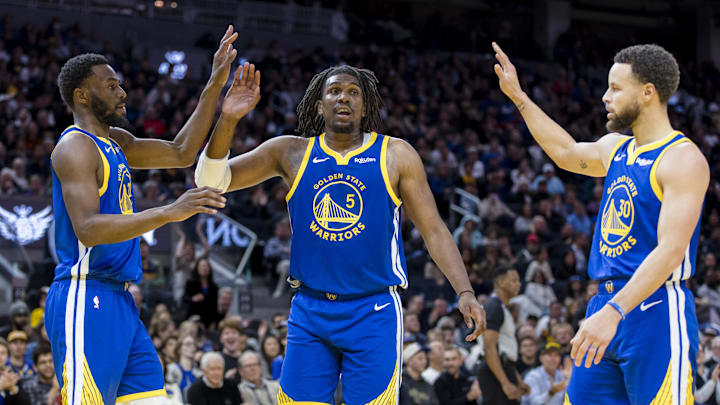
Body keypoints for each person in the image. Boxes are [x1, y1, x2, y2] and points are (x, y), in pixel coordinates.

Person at [194, 63, 486, 403]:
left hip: (373, 310)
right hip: (310, 310)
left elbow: (434, 230)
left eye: (353, 92)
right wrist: (228, 119)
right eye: (333, 91)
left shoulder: (396, 155)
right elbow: (210, 181)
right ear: (320, 105)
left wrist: (464, 291)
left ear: (365, 107)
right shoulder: (291, 152)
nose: (343, 97)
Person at [494, 42, 709, 403]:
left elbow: (671, 251)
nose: (605, 97)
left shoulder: (682, 159)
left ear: (647, 92)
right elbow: (564, 152)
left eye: (615, 88)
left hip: (654, 310)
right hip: (605, 305)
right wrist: (518, 96)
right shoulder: (617, 148)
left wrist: (615, 312)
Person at [45, 26, 244, 405]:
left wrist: (215, 83)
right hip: (85, 296)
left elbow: (182, 151)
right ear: (82, 95)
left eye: (120, 85)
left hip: (121, 301)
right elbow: (87, 229)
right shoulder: (75, 147)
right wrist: (168, 212)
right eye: (110, 85)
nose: (121, 92)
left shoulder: (115, 141)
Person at [477, 267, 529, 405]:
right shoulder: (493, 306)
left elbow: (506, 350)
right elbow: (489, 348)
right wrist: (505, 383)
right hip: (494, 372)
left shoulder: (502, 308)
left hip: (504, 368)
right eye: (514, 280)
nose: (519, 284)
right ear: (500, 282)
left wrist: (517, 380)